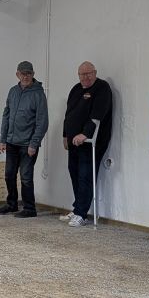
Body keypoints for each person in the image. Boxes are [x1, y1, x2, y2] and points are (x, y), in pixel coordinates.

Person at [60, 62, 113, 227]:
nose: (86, 77)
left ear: (95, 72)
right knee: (74, 173)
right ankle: (77, 208)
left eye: (89, 73)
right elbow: (68, 114)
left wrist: (85, 134)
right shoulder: (76, 89)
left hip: (91, 142)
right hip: (73, 141)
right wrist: (65, 135)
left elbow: (98, 115)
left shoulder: (102, 88)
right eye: (82, 74)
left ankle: (81, 213)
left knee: (86, 176)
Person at [0, 61, 48, 218]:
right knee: (9, 174)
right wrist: (3, 139)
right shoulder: (13, 91)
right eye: (23, 73)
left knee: (26, 176)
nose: (26, 76)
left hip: (28, 145)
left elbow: (42, 122)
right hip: (11, 142)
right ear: (17, 74)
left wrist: (34, 143)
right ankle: (12, 204)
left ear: (33, 74)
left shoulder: (38, 94)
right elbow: (6, 115)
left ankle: (30, 209)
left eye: (29, 73)